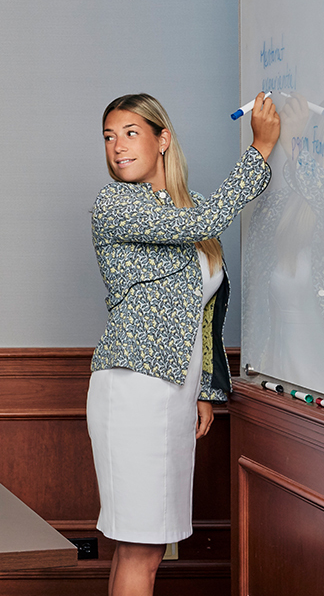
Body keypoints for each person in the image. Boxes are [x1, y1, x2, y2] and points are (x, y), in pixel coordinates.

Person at [88, 93, 279, 596]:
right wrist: (259, 149)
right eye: (109, 136)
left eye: (131, 132)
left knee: (142, 545)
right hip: (133, 391)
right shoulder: (115, 205)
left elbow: (204, 314)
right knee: (142, 546)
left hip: (172, 393)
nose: (118, 147)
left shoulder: (182, 207)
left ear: (162, 139)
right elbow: (204, 224)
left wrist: (206, 390)